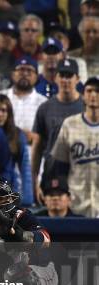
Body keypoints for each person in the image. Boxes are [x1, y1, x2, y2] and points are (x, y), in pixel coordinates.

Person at [32, 58, 84, 202]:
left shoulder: (87, 107)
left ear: (78, 79)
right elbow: (37, 147)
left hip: (80, 171)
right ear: (55, 78)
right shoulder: (45, 108)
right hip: (52, 172)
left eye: (69, 76)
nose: (65, 80)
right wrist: (35, 181)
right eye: (62, 75)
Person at [48, 76, 99, 217]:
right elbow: (59, 166)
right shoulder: (69, 124)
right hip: (76, 204)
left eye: (97, 91)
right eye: (89, 91)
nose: (94, 95)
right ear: (83, 96)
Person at [0, 57, 46, 147]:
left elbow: (50, 137)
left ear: (36, 77)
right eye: (20, 70)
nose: (24, 74)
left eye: (29, 71)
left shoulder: (44, 103)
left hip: (32, 156)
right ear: (12, 74)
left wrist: (35, 138)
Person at [0, 94, 33, 207]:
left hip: (9, 192)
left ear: (9, 113)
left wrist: (28, 198)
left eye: (3, 110)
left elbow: (25, 167)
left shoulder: (17, 135)